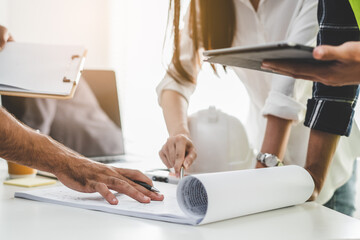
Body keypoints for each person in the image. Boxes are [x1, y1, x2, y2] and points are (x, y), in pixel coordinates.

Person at [157, 0, 360, 216]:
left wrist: (262, 173)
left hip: (324, 159)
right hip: (260, 152)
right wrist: (179, 133)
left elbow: (286, 89)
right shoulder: (208, 5)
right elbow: (177, 79)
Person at [0, 25, 164, 205]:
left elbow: (37, 128)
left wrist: (63, 162)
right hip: (91, 151)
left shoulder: (33, 67)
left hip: (100, 150)